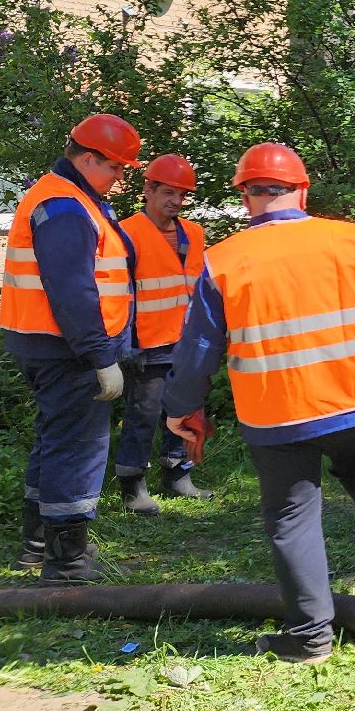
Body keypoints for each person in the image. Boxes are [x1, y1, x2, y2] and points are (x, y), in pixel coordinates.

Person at [163, 143, 355, 664]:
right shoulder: (347, 239)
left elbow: (197, 348)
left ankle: (310, 638)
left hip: (274, 414)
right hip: (347, 398)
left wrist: (183, 409)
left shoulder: (222, 260)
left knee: (291, 518)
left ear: (246, 196)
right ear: (302, 190)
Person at [0, 113, 141, 584]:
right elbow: (73, 290)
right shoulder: (65, 206)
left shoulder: (71, 198)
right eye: (115, 168)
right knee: (77, 447)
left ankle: (37, 546)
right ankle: (67, 564)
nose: (120, 179)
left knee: (55, 439)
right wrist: (101, 355)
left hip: (45, 342)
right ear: (86, 158)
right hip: (66, 348)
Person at [113, 154, 210, 514]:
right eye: (168, 192)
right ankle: (133, 486)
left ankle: (178, 473)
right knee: (144, 413)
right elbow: (117, 293)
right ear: (148, 190)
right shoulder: (125, 233)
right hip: (147, 343)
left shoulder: (194, 234)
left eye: (182, 195)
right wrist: (123, 343)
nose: (176, 201)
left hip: (188, 342)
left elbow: (201, 289)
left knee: (186, 410)